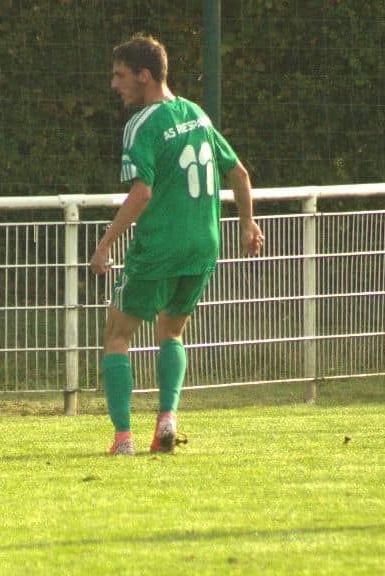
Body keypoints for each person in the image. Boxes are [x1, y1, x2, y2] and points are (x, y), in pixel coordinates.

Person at [89, 35, 264, 456]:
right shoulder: (197, 115)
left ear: (144, 76)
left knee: (117, 335)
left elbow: (142, 193)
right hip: (203, 245)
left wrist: (104, 244)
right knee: (171, 331)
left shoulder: (142, 124)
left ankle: (123, 439)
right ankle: (166, 419)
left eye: (120, 75)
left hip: (160, 246)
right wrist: (247, 224)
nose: (115, 84)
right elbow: (238, 173)